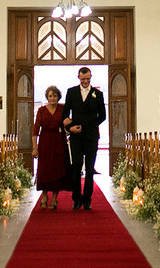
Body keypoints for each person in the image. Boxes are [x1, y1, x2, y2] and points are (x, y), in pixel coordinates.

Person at [62, 66, 107, 210]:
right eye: (83, 79)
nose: (86, 81)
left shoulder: (97, 94)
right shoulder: (71, 92)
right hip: (76, 136)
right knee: (75, 167)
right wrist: (70, 128)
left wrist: (92, 125)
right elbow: (65, 115)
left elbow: (103, 115)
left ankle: (87, 199)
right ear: (78, 78)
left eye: (88, 78)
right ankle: (76, 199)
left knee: (89, 167)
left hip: (91, 136)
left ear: (91, 77)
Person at [32, 85, 74, 209]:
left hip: (59, 143)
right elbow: (35, 131)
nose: (52, 98)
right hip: (45, 143)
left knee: (57, 169)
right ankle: (44, 195)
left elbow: (68, 124)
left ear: (58, 97)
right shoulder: (41, 110)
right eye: (50, 96)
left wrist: (69, 124)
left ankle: (54, 199)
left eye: (55, 96)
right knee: (45, 170)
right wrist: (35, 147)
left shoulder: (63, 109)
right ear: (47, 97)